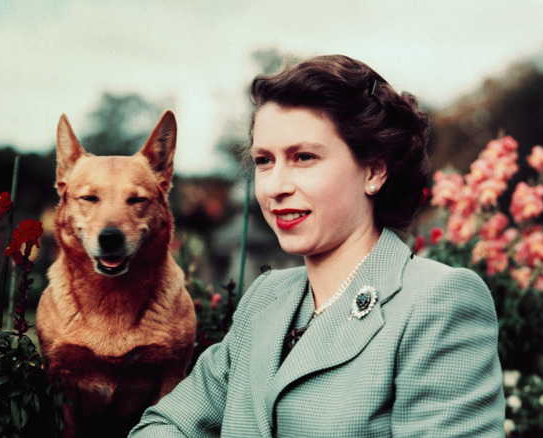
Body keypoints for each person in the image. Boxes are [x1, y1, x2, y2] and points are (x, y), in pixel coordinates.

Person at [129, 54, 505, 437]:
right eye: (264, 161)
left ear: (374, 170)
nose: (276, 186)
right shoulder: (265, 299)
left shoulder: (439, 301)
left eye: (303, 157)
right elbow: (166, 424)